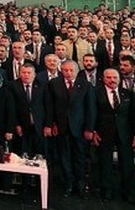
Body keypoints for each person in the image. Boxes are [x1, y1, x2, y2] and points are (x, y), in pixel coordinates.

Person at [44, 59, 96, 199]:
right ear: (61, 70)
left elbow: (91, 109)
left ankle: (80, 186)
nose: (68, 73)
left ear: (77, 70)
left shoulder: (86, 85)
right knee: (64, 158)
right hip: (61, 128)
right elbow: (50, 107)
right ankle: (68, 184)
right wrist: (51, 124)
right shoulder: (54, 84)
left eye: (71, 70)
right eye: (65, 70)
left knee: (80, 158)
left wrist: (89, 129)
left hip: (80, 129)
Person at [92, 68, 134, 203]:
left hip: (125, 134)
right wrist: (93, 131)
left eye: (115, 77)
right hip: (104, 133)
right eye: (109, 77)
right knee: (105, 163)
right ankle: (107, 191)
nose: (112, 80)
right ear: (103, 79)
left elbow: (133, 116)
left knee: (127, 164)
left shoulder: (127, 94)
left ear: (119, 79)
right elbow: (92, 113)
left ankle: (128, 192)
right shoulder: (96, 93)